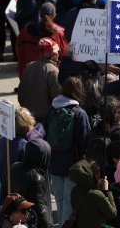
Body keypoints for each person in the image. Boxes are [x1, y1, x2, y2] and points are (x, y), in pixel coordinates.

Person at [47, 76, 91, 225]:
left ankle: (60, 224)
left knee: (59, 201)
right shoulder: (80, 113)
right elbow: (85, 141)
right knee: (68, 203)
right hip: (72, 165)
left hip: (54, 163)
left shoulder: (52, 108)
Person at [15, 2, 67, 78]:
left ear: (39, 14)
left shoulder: (25, 30)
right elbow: (63, 55)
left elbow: (18, 50)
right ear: (54, 15)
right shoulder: (59, 33)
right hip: (50, 78)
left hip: (26, 75)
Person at [10, 139, 53, 228]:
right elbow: (39, 209)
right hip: (27, 220)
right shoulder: (37, 178)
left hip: (13, 217)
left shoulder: (14, 166)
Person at [18, 38, 61, 121]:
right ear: (52, 53)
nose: (59, 54)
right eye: (57, 51)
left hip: (28, 118)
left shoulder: (29, 66)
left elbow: (21, 94)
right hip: (45, 120)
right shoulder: (53, 71)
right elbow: (57, 98)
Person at [68, 158, 118, 227]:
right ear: (92, 175)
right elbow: (113, 214)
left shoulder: (74, 191)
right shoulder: (96, 195)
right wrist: (107, 191)